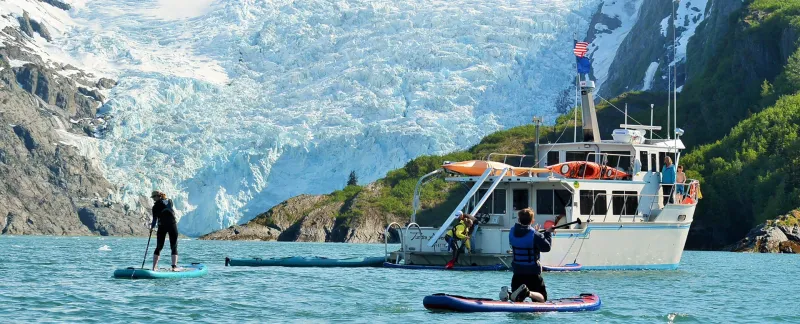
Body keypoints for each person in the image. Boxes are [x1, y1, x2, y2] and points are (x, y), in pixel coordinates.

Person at [499, 208, 552, 303]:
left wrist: (536, 233)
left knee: (517, 299)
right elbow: (546, 248)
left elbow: (525, 235)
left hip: (518, 272)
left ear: (519, 220)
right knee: (542, 299)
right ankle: (528, 293)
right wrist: (547, 233)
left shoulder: (512, 232)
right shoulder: (536, 235)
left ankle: (508, 294)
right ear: (532, 220)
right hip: (532, 272)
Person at [150, 190, 179, 271]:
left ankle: (174, 266)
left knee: (173, 246)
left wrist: (152, 227)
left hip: (171, 225)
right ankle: (154, 267)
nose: (153, 199)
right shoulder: (156, 207)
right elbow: (154, 219)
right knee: (159, 246)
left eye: (154, 197)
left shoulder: (167, 201)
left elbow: (155, 219)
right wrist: (152, 227)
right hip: (164, 226)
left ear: (158, 196)